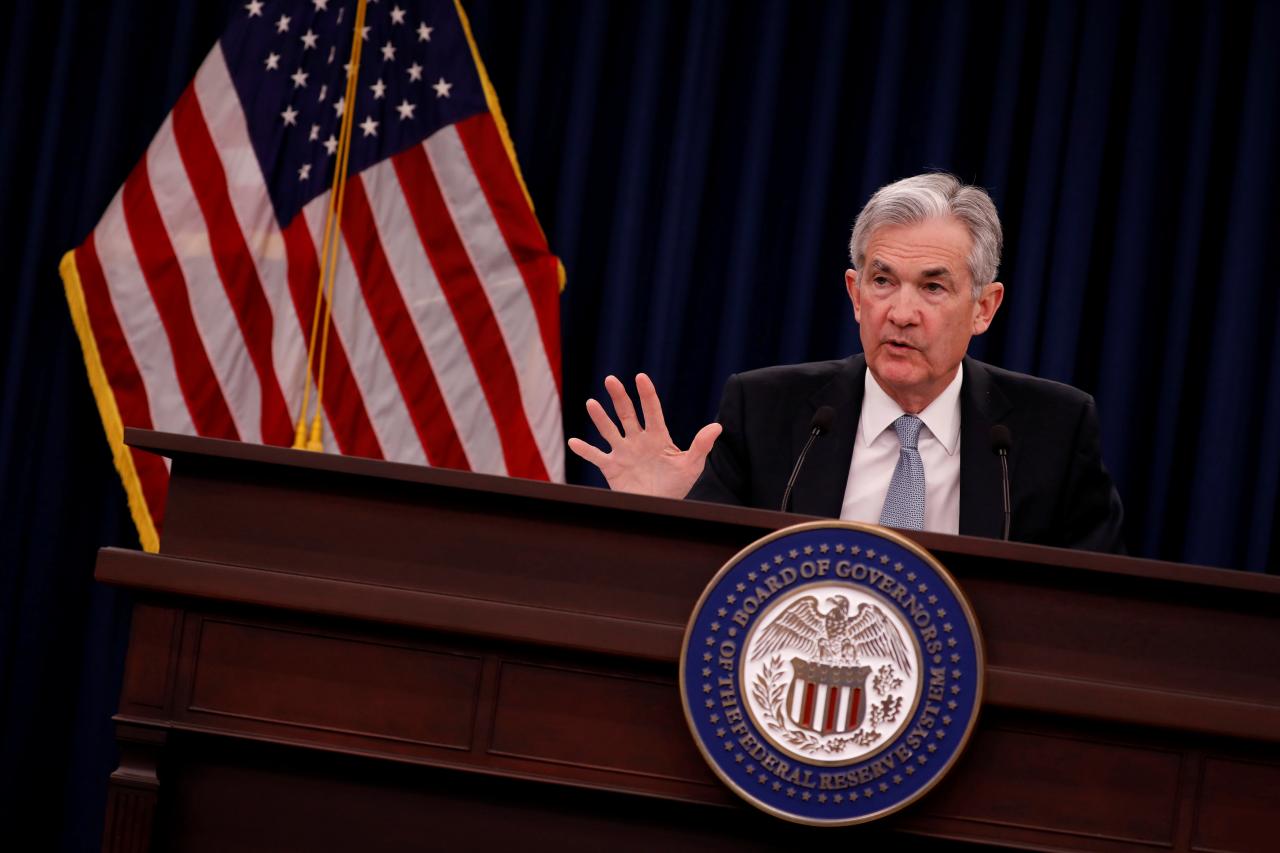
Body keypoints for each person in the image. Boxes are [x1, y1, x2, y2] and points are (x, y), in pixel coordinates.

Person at [568, 173, 1124, 553]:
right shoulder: (769, 411)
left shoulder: (1051, 428)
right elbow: (710, 588)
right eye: (883, 281)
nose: (901, 313)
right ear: (856, 293)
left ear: (984, 307)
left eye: (933, 287)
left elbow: (1097, 609)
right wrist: (669, 514)